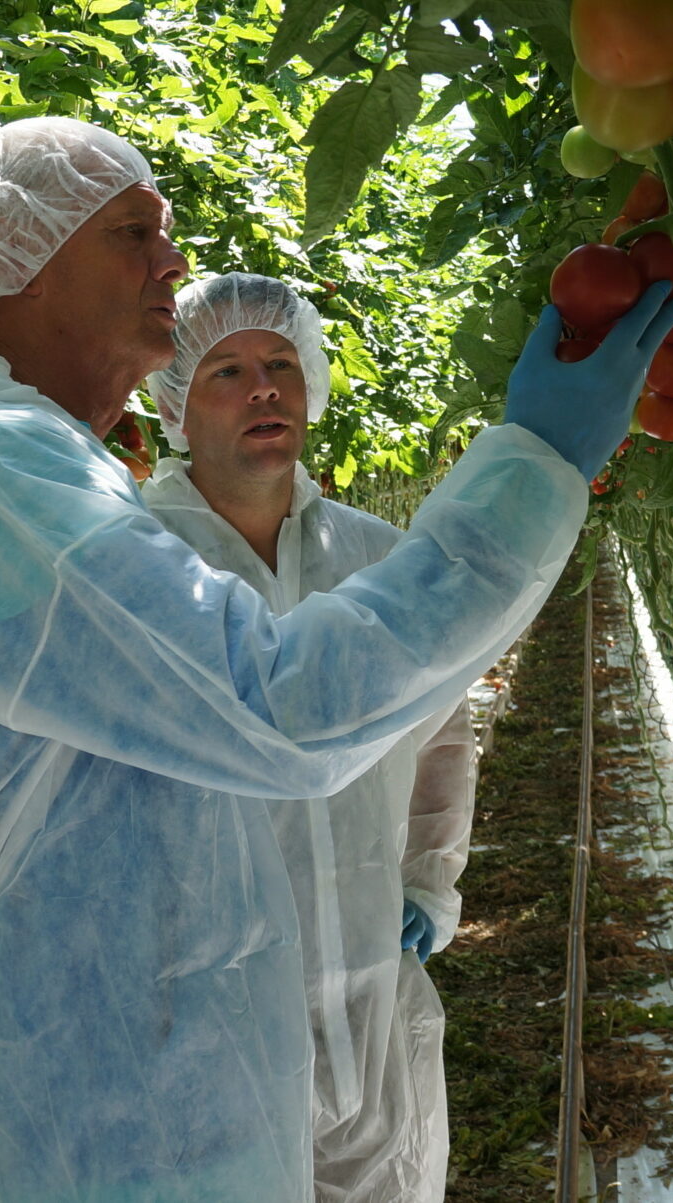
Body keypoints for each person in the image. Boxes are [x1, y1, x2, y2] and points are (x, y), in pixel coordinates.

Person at [0, 117, 673, 1203]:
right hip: (112, 1112)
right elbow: (280, 706)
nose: (172, 261)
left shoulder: (29, 473)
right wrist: (533, 466)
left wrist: (417, 883)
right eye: (133, 231)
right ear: (25, 266)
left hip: (151, 1085)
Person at [140, 273, 479, 1203]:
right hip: (204, 1007)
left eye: (282, 363)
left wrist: (428, 878)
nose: (264, 388)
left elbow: (442, 726)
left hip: (371, 979)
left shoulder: (378, 559)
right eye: (229, 369)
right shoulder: (136, 565)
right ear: (174, 404)